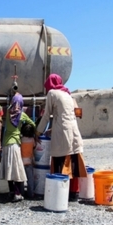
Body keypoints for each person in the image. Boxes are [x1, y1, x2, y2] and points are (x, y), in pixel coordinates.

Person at [35, 73, 87, 201]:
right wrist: (53, 129)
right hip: (74, 131)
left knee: (60, 160)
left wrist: (37, 132)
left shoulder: (52, 93)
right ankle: (73, 194)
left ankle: (59, 193)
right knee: (74, 159)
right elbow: (66, 116)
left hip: (63, 133)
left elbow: (47, 115)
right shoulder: (68, 94)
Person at [0, 91, 36, 202]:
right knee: (18, 170)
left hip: (5, 143)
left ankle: (11, 191)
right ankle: (18, 193)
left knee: (9, 169)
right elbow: (33, 124)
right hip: (15, 144)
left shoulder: (8, 112)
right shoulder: (21, 114)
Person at [20, 122, 36, 199]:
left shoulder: (21, 140)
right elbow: (34, 147)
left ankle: (22, 193)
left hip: (21, 162)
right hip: (29, 161)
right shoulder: (32, 140)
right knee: (30, 179)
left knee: (22, 178)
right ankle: (31, 193)